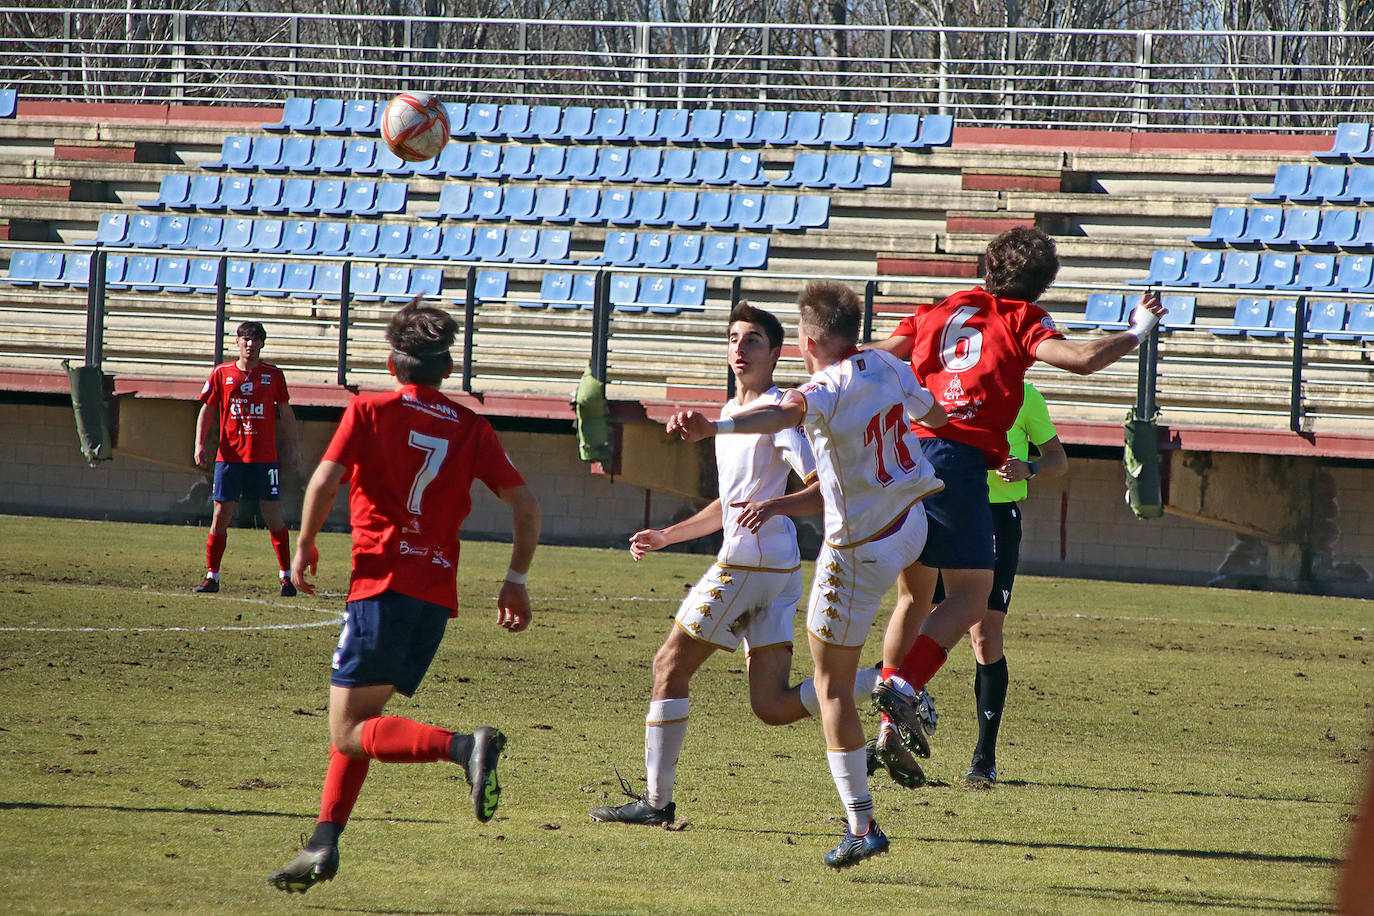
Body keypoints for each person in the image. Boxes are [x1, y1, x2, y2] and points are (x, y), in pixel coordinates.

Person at [668, 280, 946, 870]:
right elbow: (937, 414)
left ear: (807, 341)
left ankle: (863, 823)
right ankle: (898, 680)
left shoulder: (819, 388)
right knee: (916, 599)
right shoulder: (888, 365)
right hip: (912, 525)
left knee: (830, 686)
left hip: (859, 550)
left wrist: (715, 429)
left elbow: (783, 410)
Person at [866, 226, 1165, 773]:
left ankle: (889, 724)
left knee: (913, 599)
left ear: (987, 265)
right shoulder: (1022, 318)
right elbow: (1079, 360)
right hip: (956, 464)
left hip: (907, 457)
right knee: (971, 597)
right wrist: (1138, 331)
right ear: (1044, 285)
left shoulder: (936, 310)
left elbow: (877, 357)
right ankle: (904, 688)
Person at [268, 299, 541, 894]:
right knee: (360, 719)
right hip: (433, 597)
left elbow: (323, 479)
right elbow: (526, 508)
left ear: (393, 364)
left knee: (346, 730)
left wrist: (305, 543)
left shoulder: (368, 409)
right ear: (446, 371)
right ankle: (323, 842)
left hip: (381, 587)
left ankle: (465, 747)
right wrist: (514, 579)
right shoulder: (472, 426)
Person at [589, 303, 882, 828]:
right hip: (779, 570)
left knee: (667, 667)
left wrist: (775, 506)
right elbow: (733, 503)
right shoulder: (732, 412)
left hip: (747, 565)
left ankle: (657, 803)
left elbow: (822, 489)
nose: (739, 348)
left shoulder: (780, 412)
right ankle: (879, 681)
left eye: (752, 340)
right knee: (770, 705)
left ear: (776, 352)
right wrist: (668, 535)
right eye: (732, 338)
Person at [895, 382, 1067, 787]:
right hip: (940, 507)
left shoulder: (1026, 396)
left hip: (995, 517)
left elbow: (1058, 458)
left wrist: (1030, 468)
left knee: (985, 634)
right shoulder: (943, 388)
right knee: (917, 608)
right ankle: (899, 713)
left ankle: (984, 757)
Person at [192, 320, 302, 596]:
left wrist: (294, 447)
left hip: (264, 458)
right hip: (229, 458)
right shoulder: (222, 373)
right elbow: (207, 410)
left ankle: (286, 578)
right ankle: (212, 576)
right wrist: (200, 444)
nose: (250, 345)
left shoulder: (273, 375)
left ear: (262, 344)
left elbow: (286, 413)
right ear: (237, 342)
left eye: (255, 340)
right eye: (245, 339)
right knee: (221, 514)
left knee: (273, 514)